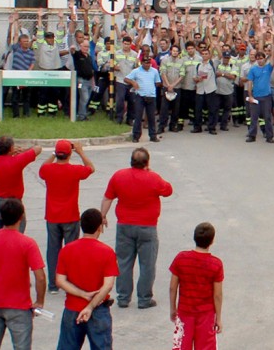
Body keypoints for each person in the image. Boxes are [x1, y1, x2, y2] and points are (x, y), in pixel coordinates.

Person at [101, 147, 174, 309]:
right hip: (147, 227)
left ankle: (123, 297)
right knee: (147, 264)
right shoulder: (153, 178)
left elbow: (108, 197)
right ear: (147, 162)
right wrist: (151, 172)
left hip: (124, 225)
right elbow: (168, 190)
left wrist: (103, 216)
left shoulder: (119, 176)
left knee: (124, 262)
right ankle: (144, 298)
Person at [0, 199, 46, 350]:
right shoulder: (27, 243)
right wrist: (39, 301)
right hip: (19, 307)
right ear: (21, 217)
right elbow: (40, 276)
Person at [55, 209, 118, 350]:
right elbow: (107, 285)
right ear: (99, 228)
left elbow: (60, 281)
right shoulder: (107, 252)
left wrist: (82, 294)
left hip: (71, 308)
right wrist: (90, 306)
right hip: (98, 309)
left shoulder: (67, 250)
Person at [38, 139, 95, 295]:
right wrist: (81, 152)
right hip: (70, 215)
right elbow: (90, 168)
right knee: (72, 251)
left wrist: (53, 154)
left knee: (53, 250)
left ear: (57, 154)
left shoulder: (48, 170)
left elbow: (41, 169)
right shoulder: (74, 170)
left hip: (52, 216)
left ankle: (53, 284)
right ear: (70, 154)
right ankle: (71, 282)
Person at [169, 222, 225, 350]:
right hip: (206, 314)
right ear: (212, 241)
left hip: (184, 311)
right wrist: (219, 318)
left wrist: (173, 308)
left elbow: (173, 287)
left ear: (194, 237)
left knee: (182, 345)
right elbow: (217, 295)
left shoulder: (181, 258)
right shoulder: (216, 264)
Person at [0, 136, 42, 235]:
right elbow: (38, 148)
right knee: (15, 236)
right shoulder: (17, 161)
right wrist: (19, 151)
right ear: (10, 149)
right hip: (13, 204)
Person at [124, 55, 162, 143]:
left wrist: (151, 86)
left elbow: (158, 82)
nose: (147, 65)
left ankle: (153, 135)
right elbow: (126, 79)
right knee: (138, 117)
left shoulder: (154, 71)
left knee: (151, 117)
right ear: (142, 63)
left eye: (149, 63)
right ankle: (136, 136)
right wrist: (133, 82)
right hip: (140, 96)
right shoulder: (136, 71)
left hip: (151, 96)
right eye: (145, 63)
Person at [246, 50, 274, 143]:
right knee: (254, 117)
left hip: (266, 96)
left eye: (261, 58)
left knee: (267, 117)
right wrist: (250, 95)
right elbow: (250, 82)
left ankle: (269, 136)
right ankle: (252, 135)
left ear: (264, 59)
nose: (259, 60)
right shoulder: (253, 69)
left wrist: (273, 46)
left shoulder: (268, 68)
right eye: (257, 59)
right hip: (256, 97)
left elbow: (273, 58)